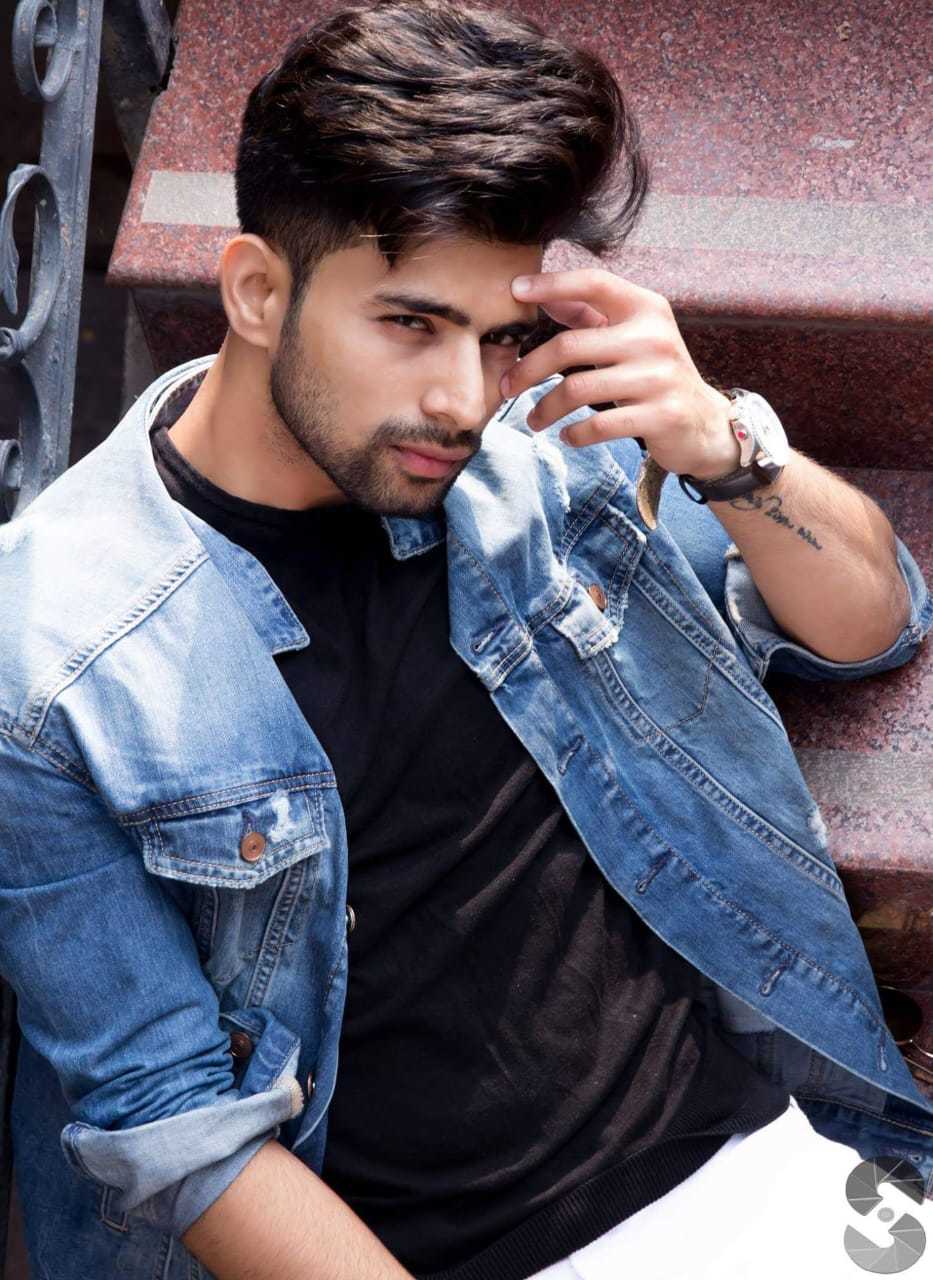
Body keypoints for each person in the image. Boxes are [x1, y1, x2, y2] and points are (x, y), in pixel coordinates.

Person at [0, 2, 931, 1277]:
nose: (460, 397)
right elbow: (177, 1129)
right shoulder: (48, 653)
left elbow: (870, 623)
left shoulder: (537, 454)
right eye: (410, 323)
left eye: (503, 337)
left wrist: (723, 446)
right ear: (258, 290)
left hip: (765, 1166)